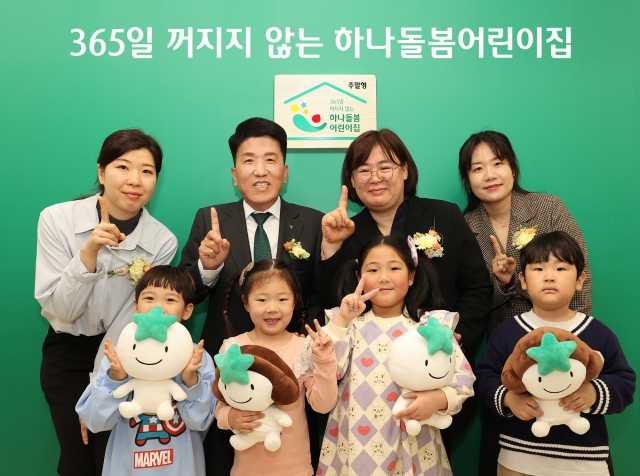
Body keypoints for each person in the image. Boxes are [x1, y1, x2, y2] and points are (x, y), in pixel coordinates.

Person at [318, 128, 491, 451]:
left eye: (385, 167)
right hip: (368, 384)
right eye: (363, 170)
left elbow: (478, 287)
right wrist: (330, 246)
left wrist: (455, 338)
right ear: (352, 181)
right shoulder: (346, 231)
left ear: (405, 170)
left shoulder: (444, 215)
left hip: (435, 374)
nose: (375, 177)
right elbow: (330, 300)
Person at [179, 118, 324, 474]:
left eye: (270, 159)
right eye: (249, 160)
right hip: (229, 374)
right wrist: (208, 267)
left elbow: (319, 293)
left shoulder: (312, 222)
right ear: (234, 173)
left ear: (285, 171)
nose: (260, 170)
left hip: (292, 372)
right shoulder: (209, 220)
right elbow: (187, 294)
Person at [35, 129, 177, 476]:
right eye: (123, 167)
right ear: (101, 172)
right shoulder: (56, 220)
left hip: (124, 358)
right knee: (78, 459)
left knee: (115, 461)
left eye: (147, 171)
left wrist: (101, 389)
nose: (135, 180)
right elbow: (61, 311)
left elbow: (131, 320)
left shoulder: (162, 241)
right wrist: (88, 253)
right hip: (67, 357)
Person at [458, 130, 593, 474]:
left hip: (561, 343)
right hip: (505, 351)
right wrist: (503, 285)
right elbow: (469, 296)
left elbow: (580, 270)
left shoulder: (547, 207)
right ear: (467, 179)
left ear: (512, 168)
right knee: (506, 441)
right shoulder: (465, 226)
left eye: (497, 163)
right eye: (477, 168)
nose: (489, 175)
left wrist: (572, 337)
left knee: (565, 429)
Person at [475, 231, 635, 476]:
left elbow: (625, 382)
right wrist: (508, 398)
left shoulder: (598, 333)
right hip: (519, 459)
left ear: (580, 280)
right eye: (538, 269)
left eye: (561, 269)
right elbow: (485, 377)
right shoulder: (507, 331)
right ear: (523, 280)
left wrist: (594, 392)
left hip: (585, 462)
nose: (549, 277)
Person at [317, 235, 476, 476]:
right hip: (354, 444)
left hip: (415, 442)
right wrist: (341, 321)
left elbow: (464, 381)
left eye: (394, 268)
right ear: (359, 277)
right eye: (373, 269)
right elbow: (330, 371)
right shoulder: (346, 324)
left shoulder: (431, 326)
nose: (383, 277)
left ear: (412, 276)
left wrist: (438, 399)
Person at [76, 266, 216, 476]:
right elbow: (96, 420)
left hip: (181, 467)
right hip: (126, 467)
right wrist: (116, 378)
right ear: (136, 307)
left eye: (170, 300)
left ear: (187, 310)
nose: (158, 308)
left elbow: (200, 421)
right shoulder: (119, 355)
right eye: (149, 298)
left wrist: (191, 381)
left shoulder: (197, 357)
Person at [214, 259, 338, 476]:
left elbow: (323, 405)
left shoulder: (304, 346)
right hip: (246, 469)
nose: (272, 308)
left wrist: (325, 360)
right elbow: (219, 404)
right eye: (261, 299)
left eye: (282, 299)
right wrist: (229, 417)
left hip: (295, 468)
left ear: (294, 302)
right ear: (246, 303)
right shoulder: (232, 347)